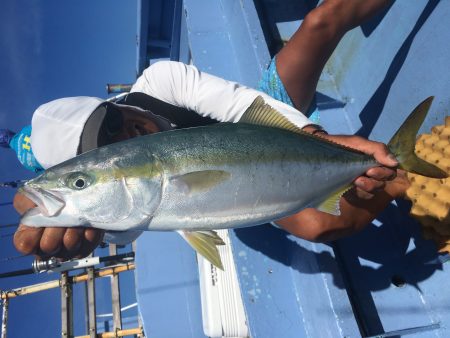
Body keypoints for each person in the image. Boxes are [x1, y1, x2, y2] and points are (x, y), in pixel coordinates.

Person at [13, 0, 405, 260]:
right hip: (244, 195)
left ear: (111, 106)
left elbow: (244, 106)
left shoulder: (159, 80)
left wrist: (318, 139)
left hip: (264, 125)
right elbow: (119, 227)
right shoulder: (124, 205)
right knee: (321, 226)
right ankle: (398, 175)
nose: (124, 137)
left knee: (320, 21)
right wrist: (78, 219)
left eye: (110, 122)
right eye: (103, 142)